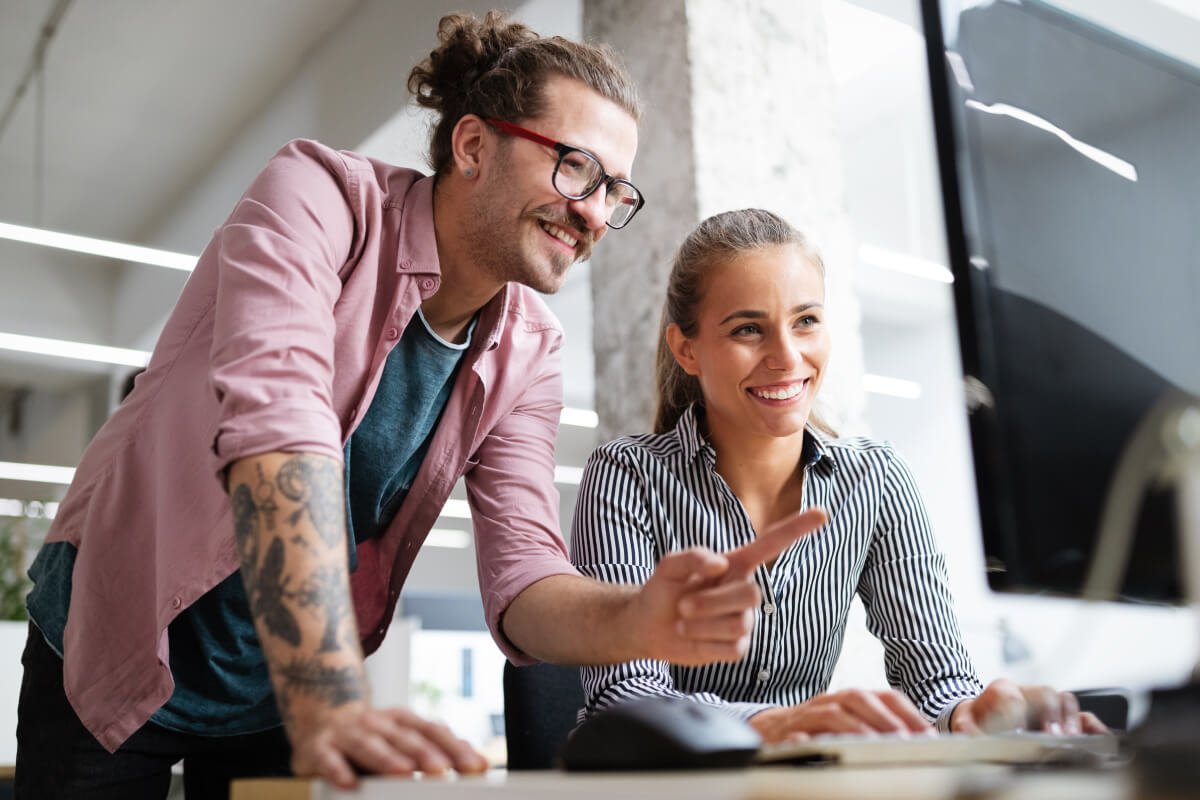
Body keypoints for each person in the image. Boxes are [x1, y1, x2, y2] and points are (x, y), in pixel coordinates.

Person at [16, 14, 822, 799]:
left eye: (615, 191)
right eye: (575, 167)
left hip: (269, 689)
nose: (595, 213)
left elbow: (525, 574)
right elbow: (279, 432)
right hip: (123, 639)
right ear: (472, 145)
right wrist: (331, 699)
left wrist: (636, 616)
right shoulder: (320, 198)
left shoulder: (529, 351)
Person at [571, 208, 1108, 742]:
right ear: (687, 349)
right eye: (748, 329)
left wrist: (972, 712)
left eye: (806, 321)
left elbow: (937, 681)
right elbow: (626, 697)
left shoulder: (873, 477)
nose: (787, 357)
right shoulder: (628, 475)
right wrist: (773, 722)